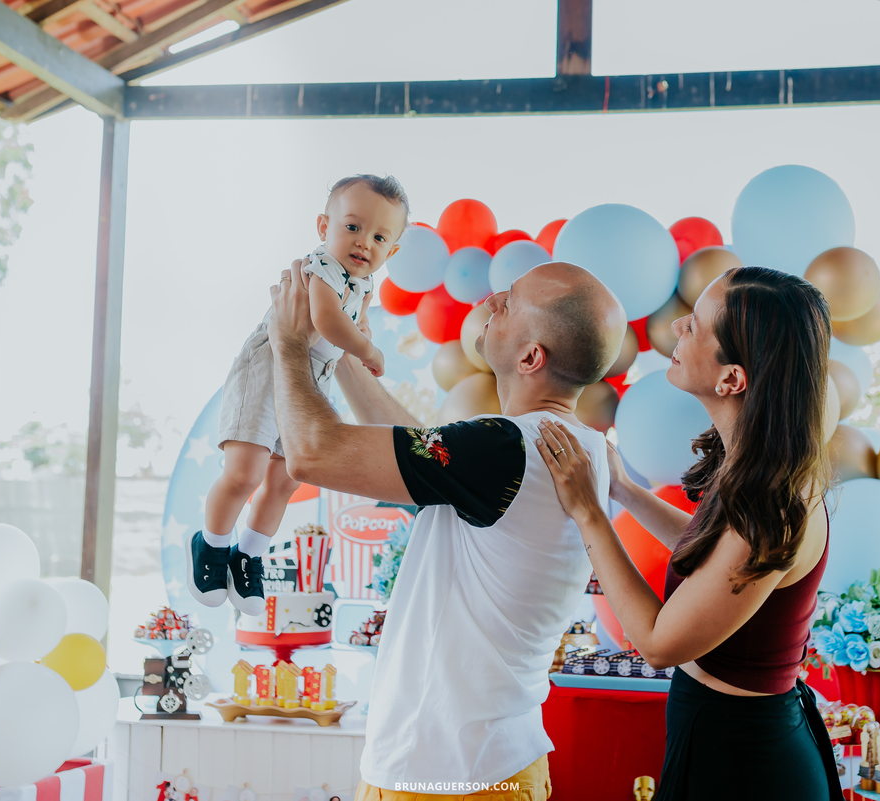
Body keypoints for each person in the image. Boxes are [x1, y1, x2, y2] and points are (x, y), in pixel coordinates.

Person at [265, 258, 627, 800]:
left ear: (531, 357)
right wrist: (339, 355)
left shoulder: (503, 447)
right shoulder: (585, 447)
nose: (489, 302)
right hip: (494, 763)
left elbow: (312, 455)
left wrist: (291, 344)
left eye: (508, 302)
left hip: (445, 775)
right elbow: (424, 452)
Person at [534, 266, 845, 800]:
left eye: (696, 325)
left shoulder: (776, 506)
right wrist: (626, 491)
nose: (677, 327)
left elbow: (657, 644)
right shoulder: (758, 467)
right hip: (719, 734)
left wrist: (589, 512)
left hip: (748, 763)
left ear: (732, 379)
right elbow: (715, 558)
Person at [186, 175, 409, 615]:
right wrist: (367, 348)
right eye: (352, 227)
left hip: (311, 378)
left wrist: (361, 328)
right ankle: (211, 544)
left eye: (379, 236)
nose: (364, 242)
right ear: (324, 227)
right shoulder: (321, 265)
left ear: (392, 251)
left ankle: (248, 554)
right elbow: (326, 320)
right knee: (245, 472)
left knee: (288, 477)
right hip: (270, 369)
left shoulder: (363, 284)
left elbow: (350, 321)